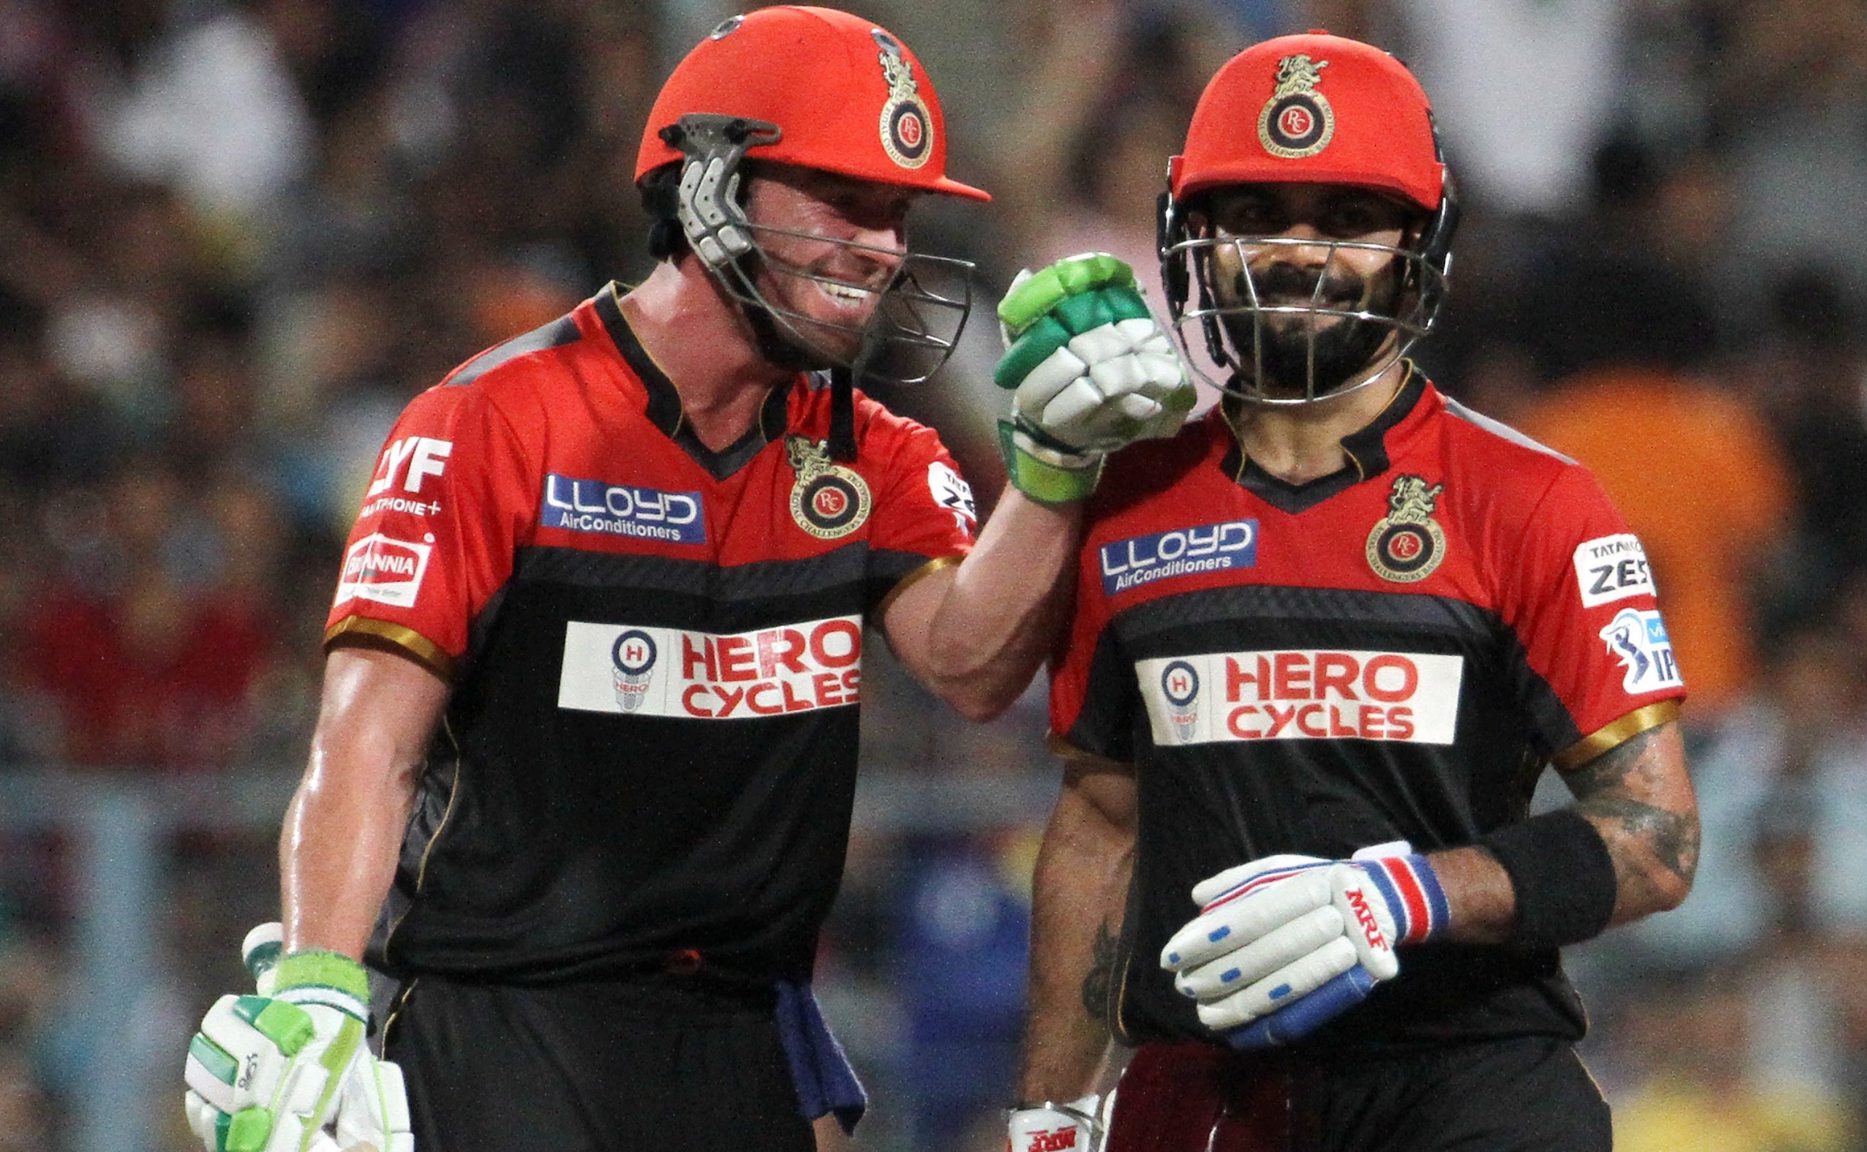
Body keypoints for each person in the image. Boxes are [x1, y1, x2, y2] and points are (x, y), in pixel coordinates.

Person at [179, 7, 1190, 1152]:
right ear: (707, 185)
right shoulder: (492, 423)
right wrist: (317, 988)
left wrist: (1053, 470)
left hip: (743, 1027)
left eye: (896, 215)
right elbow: (366, 739)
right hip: (502, 1020)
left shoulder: (874, 452)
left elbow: (969, 664)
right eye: (842, 201)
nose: (881, 248)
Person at [1009, 32, 1700, 1152]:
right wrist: (1050, 1113)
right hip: (1206, 1094)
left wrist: (1405, 897)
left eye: (1345, 219)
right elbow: (1099, 823)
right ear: (1192, 239)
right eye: (1257, 216)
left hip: (1468, 1084)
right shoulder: (1126, 499)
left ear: (1418, 246)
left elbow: (1655, 837)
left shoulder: (1534, 500)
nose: (1299, 255)